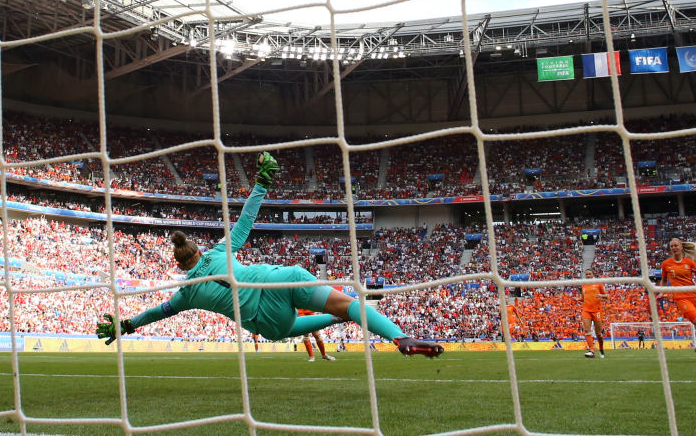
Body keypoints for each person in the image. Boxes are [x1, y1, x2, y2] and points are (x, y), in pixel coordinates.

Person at [96, 152, 443, 358]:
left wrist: (127, 324)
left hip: (265, 320)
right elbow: (245, 220)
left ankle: (344, 318)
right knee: (345, 303)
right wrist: (262, 183)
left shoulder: (187, 292)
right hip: (279, 280)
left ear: (179, 263)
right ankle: (399, 336)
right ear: (198, 250)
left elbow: (159, 312)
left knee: (284, 330)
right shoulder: (221, 250)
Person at [580, 282, 606, 358]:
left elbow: (607, 296)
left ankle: (601, 349)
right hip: (586, 310)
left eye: (589, 274)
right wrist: (578, 299)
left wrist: (601, 295)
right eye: (587, 274)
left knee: (598, 333)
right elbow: (583, 299)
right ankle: (591, 351)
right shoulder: (584, 285)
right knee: (587, 330)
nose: (588, 275)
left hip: (597, 310)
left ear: (592, 275)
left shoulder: (599, 284)